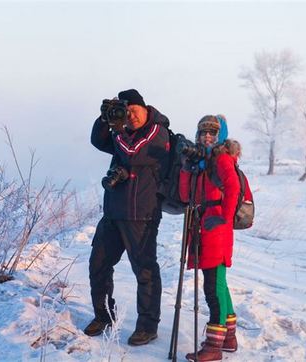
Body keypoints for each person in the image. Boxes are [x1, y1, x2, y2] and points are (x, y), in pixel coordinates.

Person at [84, 89, 170, 346]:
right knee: (98, 265)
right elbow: (98, 141)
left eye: (134, 110)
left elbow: (133, 152)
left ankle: (147, 326)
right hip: (113, 213)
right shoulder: (121, 131)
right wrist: (104, 120)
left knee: (144, 271)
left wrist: (117, 128)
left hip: (141, 215)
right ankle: (104, 316)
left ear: (145, 108)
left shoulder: (158, 131)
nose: (130, 116)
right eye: (125, 111)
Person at [179, 115, 241, 362]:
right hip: (201, 224)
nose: (207, 137)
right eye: (203, 132)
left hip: (216, 226)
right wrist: (186, 168)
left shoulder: (222, 158)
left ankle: (214, 347)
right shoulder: (200, 161)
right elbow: (186, 196)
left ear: (220, 137)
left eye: (212, 133)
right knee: (220, 284)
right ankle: (229, 338)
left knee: (213, 287)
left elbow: (234, 187)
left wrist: (225, 217)